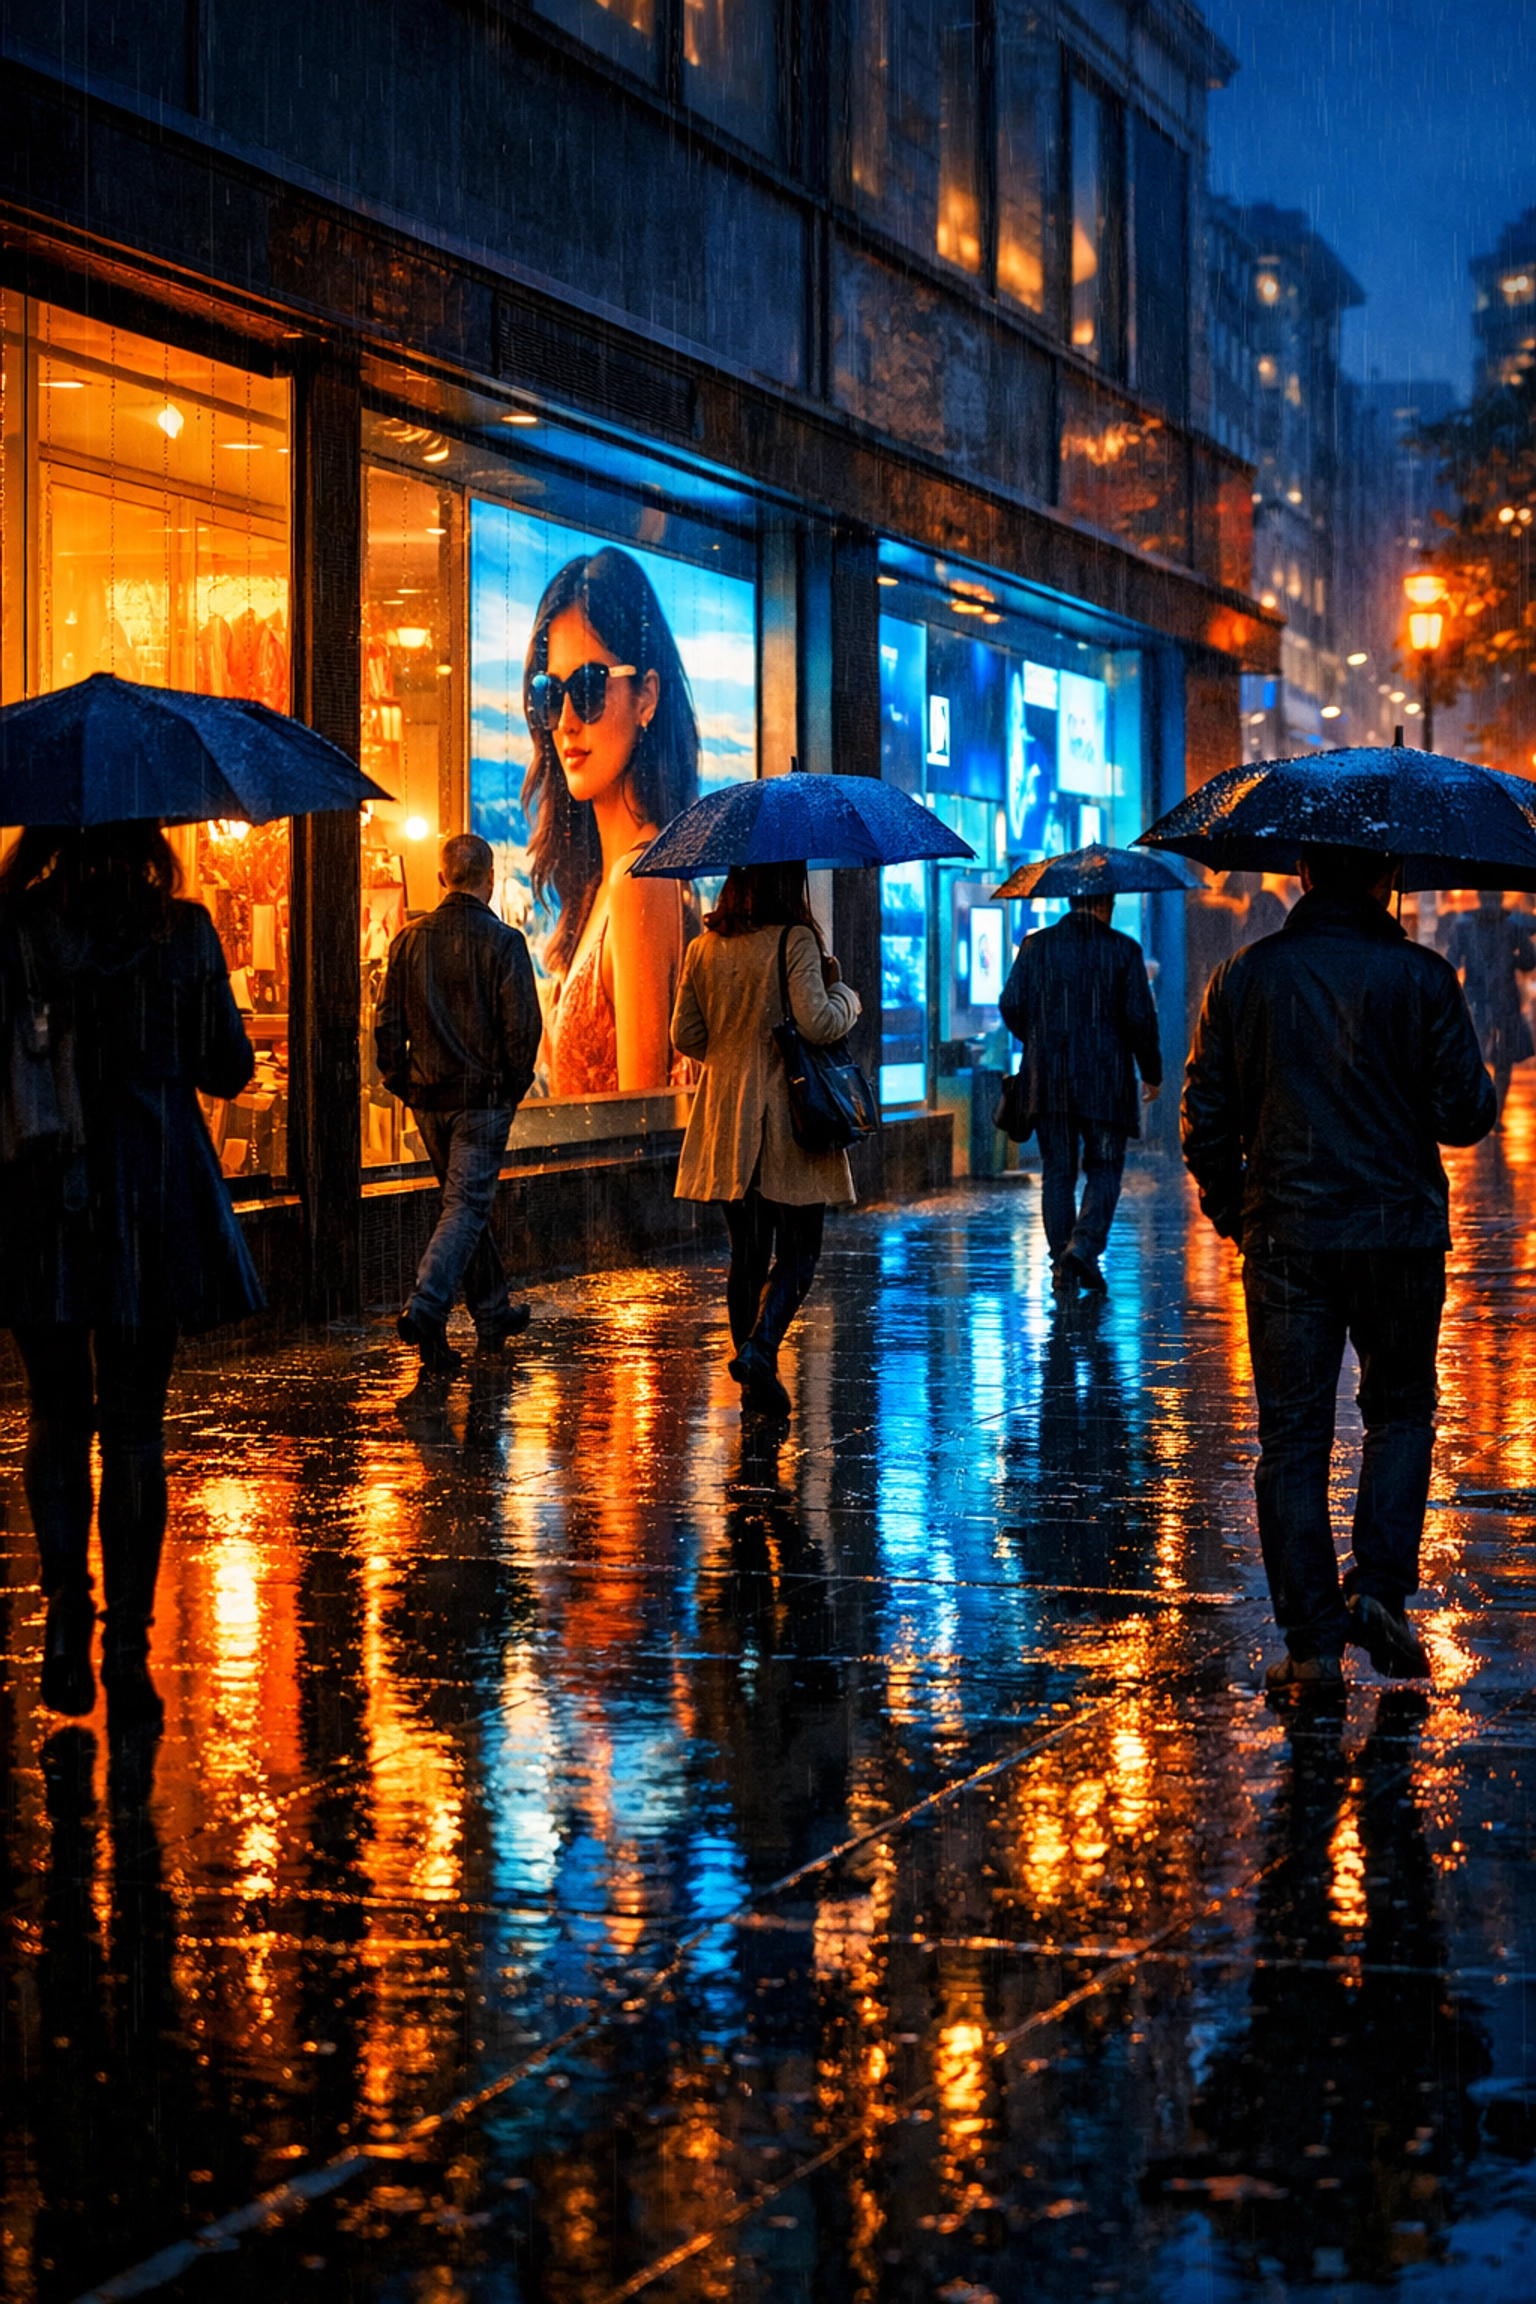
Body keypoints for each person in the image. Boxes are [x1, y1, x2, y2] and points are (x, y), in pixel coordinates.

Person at [1183, 844, 1496, 1698]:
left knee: (1292, 1438)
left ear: (1304, 873)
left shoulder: (1244, 979)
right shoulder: (1425, 979)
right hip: (1397, 1237)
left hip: (1287, 1235)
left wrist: (1242, 1212)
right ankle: (1383, 1593)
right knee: (1398, 1412)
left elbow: (1204, 1121)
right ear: (1387, 877)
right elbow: (1467, 1116)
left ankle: (1313, 1647)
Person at [0, 821, 264, 1728]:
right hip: (154, 1187)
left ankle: (66, 1620)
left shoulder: (20, 928)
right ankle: (128, 1644)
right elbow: (227, 1067)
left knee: (55, 1412)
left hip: (44, 1194)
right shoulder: (182, 931)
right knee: (137, 1429)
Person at [670, 861, 860, 1418]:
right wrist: (843, 991)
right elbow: (820, 1023)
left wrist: (732, 1061)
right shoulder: (794, 940)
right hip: (788, 1119)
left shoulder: (703, 947)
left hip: (725, 1119)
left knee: (747, 1255)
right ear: (787, 882)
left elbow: (685, 1034)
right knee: (801, 1250)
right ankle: (759, 1350)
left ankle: (757, 1378)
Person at [522, 549, 697, 1095]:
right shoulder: (607, 879)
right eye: (549, 695)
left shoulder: (636, 882)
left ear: (646, 696)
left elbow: (638, 1133)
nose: (568, 721)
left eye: (590, 687)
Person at [375, 831, 542, 1373]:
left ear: (442, 877)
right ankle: (426, 1307)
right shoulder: (505, 943)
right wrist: (508, 1090)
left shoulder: (407, 940)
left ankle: (491, 1312)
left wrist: (405, 1082)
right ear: (489, 882)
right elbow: (523, 1033)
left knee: (462, 1205)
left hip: (429, 1098)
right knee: (466, 1206)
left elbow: (386, 1028)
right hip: (481, 1100)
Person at [997, 891, 1163, 1295]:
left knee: (1057, 1171)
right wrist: (1152, 1072)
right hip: (1106, 1084)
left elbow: (1011, 1003)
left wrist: (1038, 1039)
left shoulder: (1037, 946)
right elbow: (1141, 1019)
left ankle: (1061, 1261)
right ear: (1107, 904)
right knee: (1104, 1168)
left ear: (1071, 900)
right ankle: (1084, 1247)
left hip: (1049, 1080)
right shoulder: (1123, 950)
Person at [1442, 888, 1536, 1116]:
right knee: (1503, 1057)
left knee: (1479, 1052)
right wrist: (1512, 958)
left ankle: (1483, 1107)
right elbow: (1529, 961)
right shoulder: (1512, 926)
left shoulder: (1466, 926)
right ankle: (1496, 1110)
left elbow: (1452, 961)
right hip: (1503, 999)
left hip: (1480, 999)